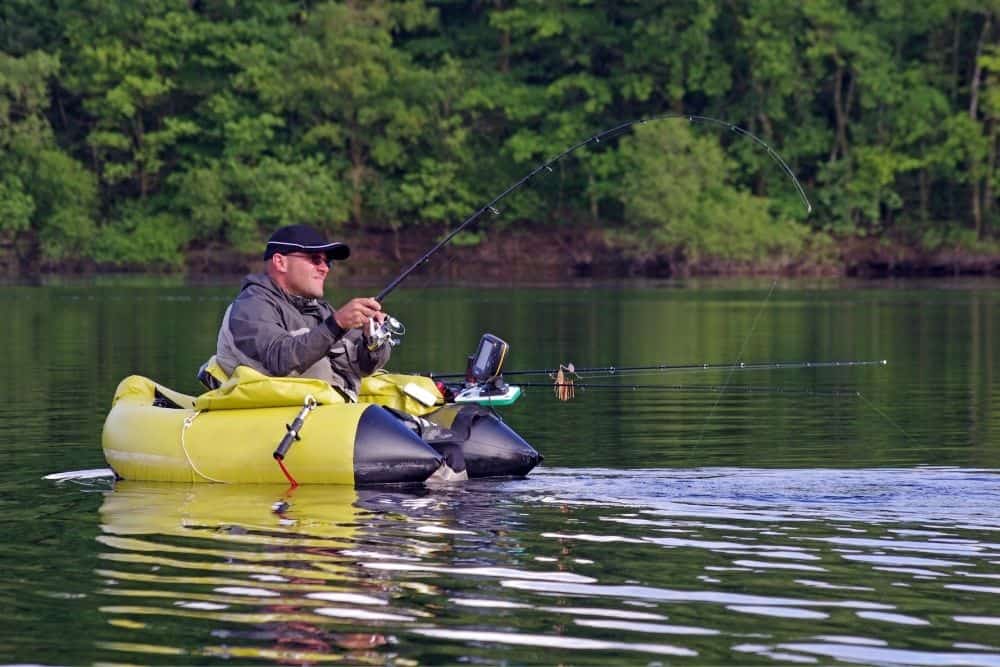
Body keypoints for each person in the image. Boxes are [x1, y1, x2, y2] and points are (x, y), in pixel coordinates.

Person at [215, 224, 392, 401]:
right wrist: (336, 324)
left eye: (327, 262)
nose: (325, 268)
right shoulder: (250, 306)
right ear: (280, 262)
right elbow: (279, 360)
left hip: (331, 411)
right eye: (316, 259)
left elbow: (363, 366)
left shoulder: (320, 310)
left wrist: (374, 339)